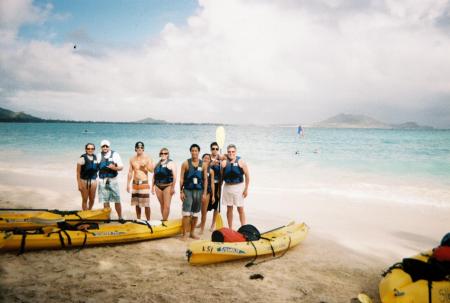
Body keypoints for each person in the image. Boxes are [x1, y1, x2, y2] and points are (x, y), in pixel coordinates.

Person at [179, 144, 208, 240]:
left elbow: (205, 179)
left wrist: (204, 194)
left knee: (195, 213)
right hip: (188, 190)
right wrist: (181, 191)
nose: (194, 152)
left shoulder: (203, 164)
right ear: (190, 151)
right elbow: (181, 178)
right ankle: (184, 234)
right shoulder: (185, 163)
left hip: (199, 191)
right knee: (186, 213)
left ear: (199, 152)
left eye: (196, 151)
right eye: (193, 150)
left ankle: (192, 233)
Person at [221, 144, 250, 229]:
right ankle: (230, 228)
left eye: (233, 151)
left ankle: (243, 227)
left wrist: (246, 189)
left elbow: (247, 176)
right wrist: (219, 190)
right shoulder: (224, 162)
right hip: (227, 187)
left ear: (235, 152)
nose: (231, 153)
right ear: (227, 152)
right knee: (229, 209)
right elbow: (221, 178)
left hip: (238, 187)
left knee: (240, 209)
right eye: (229, 152)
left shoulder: (241, 162)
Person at [126, 141, 153, 220]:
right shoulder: (132, 159)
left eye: (141, 147)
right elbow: (130, 172)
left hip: (144, 183)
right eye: (138, 147)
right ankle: (139, 219)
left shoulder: (148, 158)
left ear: (143, 149)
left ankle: (149, 220)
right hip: (135, 184)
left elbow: (152, 170)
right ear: (135, 149)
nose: (139, 149)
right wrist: (128, 184)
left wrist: (145, 167)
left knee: (146, 204)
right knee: (137, 203)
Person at [97, 139, 124, 219]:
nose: (105, 147)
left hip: (113, 180)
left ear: (109, 147)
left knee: (117, 200)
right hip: (102, 180)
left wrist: (114, 167)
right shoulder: (98, 155)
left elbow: (121, 167)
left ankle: (120, 217)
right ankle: (107, 218)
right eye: (103, 146)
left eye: (106, 146)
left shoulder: (115, 154)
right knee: (105, 200)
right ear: (101, 147)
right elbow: (96, 168)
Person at [152, 147, 176, 221]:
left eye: (165, 153)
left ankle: (164, 220)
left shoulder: (171, 163)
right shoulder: (157, 164)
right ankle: (164, 219)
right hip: (158, 186)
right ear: (160, 154)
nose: (163, 154)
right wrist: (152, 187)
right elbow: (154, 176)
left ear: (168, 155)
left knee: (167, 206)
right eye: (162, 153)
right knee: (162, 204)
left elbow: (175, 176)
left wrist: (173, 187)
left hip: (168, 186)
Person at [76, 143, 98, 210]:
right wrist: (79, 184)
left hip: (93, 181)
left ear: (94, 149)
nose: (90, 150)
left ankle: (89, 210)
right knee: (85, 199)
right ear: (86, 149)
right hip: (84, 181)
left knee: (92, 199)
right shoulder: (82, 158)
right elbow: (78, 172)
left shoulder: (95, 157)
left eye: (92, 148)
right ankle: (85, 213)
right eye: (88, 148)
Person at [198, 153, 215, 234]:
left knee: (203, 211)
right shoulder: (198, 168)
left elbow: (212, 183)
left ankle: (202, 228)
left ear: (210, 161)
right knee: (193, 210)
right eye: (204, 158)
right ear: (202, 159)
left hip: (207, 192)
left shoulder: (211, 171)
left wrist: (213, 196)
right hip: (197, 191)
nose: (206, 159)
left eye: (208, 158)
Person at [208, 142, 222, 230]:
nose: (215, 150)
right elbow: (203, 167)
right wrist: (211, 164)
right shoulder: (207, 157)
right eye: (213, 148)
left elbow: (222, 174)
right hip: (208, 184)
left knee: (216, 205)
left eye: (217, 149)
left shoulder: (221, 159)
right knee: (204, 205)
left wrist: (220, 164)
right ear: (210, 149)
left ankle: (213, 224)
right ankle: (202, 221)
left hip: (217, 184)